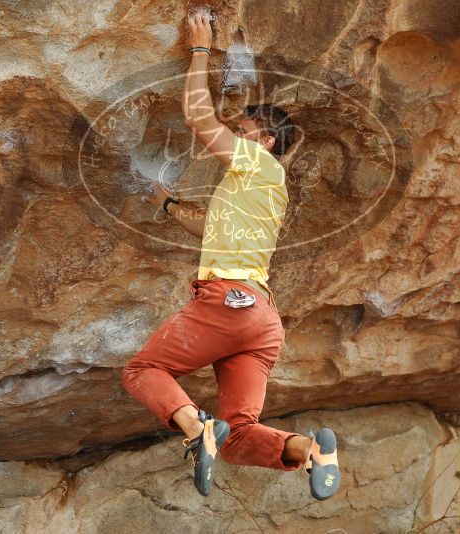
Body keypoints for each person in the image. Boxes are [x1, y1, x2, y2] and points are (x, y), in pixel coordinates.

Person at [121, 13, 340, 500]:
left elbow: (200, 120)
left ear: (265, 141)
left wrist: (199, 49)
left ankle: (195, 429)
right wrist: (168, 205)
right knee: (239, 437)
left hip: (231, 302)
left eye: (242, 130)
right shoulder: (257, 190)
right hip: (260, 321)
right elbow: (207, 228)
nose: (235, 136)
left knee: (143, 371)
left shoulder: (258, 162)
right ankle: (310, 451)